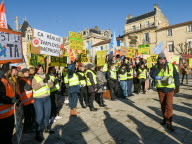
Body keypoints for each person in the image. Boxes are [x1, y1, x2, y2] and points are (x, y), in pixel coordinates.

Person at [150, 52, 180, 132]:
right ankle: (164, 118)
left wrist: (177, 86)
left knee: (169, 106)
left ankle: (169, 123)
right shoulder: (155, 67)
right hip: (161, 89)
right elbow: (152, 75)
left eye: (163, 59)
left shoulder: (171, 65)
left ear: (165, 59)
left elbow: (176, 75)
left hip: (170, 89)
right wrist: (159, 68)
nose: (162, 61)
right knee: (163, 104)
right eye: (160, 59)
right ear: (158, 60)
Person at [32, 64, 54, 142]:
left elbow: (51, 86)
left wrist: (49, 80)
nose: (41, 70)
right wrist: (42, 82)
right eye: (39, 69)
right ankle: (37, 133)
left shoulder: (46, 76)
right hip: (38, 99)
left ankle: (47, 127)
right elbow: (34, 87)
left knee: (47, 114)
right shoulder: (35, 77)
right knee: (40, 116)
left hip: (47, 98)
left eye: (41, 69)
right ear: (36, 70)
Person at [0, 62, 18, 144]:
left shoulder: (6, 80)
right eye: (9, 70)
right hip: (3, 116)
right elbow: (1, 97)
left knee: (8, 136)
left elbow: (9, 94)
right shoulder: (1, 81)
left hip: (9, 113)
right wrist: (11, 100)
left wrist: (15, 98)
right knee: (5, 137)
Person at [18, 68, 35, 132]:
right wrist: (31, 80)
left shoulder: (26, 79)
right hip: (26, 100)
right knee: (27, 116)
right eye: (25, 72)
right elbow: (28, 88)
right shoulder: (22, 80)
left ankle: (30, 127)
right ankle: (26, 128)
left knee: (30, 115)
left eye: (28, 72)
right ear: (23, 73)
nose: (27, 73)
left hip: (30, 100)